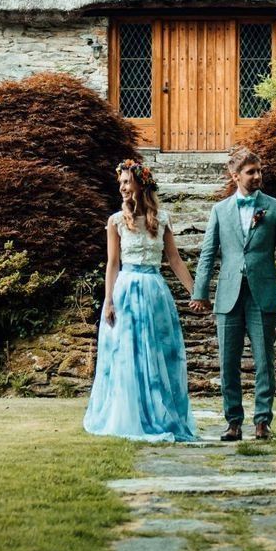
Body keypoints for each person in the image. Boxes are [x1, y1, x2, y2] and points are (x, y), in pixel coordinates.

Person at [83, 158, 199, 442]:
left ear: (140, 183)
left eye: (126, 181)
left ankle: (158, 412)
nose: (122, 187)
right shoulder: (115, 222)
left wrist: (195, 291)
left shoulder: (161, 220)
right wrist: (108, 301)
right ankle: (127, 413)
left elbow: (174, 260)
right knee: (126, 353)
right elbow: (113, 264)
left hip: (155, 292)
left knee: (158, 352)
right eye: (120, 182)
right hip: (126, 291)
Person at [189, 147, 276, 441]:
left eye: (259, 171)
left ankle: (262, 421)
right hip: (228, 297)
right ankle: (233, 422)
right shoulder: (219, 210)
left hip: (263, 294)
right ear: (235, 175)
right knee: (228, 362)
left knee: (265, 361)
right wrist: (200, 292)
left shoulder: (275, 209)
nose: (257, 176)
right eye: (251, 172)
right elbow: (208, 254)